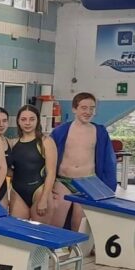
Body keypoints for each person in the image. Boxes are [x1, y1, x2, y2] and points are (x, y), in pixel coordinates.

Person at [50, 92, 116, 231]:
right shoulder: (60, 131)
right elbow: (48, 158)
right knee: (56, 221)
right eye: (84, 108)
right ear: (74, 109)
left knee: (79, 223)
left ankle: (77, 250)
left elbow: (109, 162)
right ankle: (52, 250)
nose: (88, 112)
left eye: (92, 108)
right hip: (64, 181)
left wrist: (109, 188)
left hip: (87, 182)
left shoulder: (99, 132)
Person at [9, 105, 57, 224]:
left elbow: (51, 173)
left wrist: (44, 199)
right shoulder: (13, 143)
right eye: (23, 119)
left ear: (37, 120)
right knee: (18, 233)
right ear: (18, 122)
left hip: (39, 191)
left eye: (32, 119)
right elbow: (10, 170)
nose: (28, 123)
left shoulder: (46, 142)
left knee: (40, 235)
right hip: (17, 191)